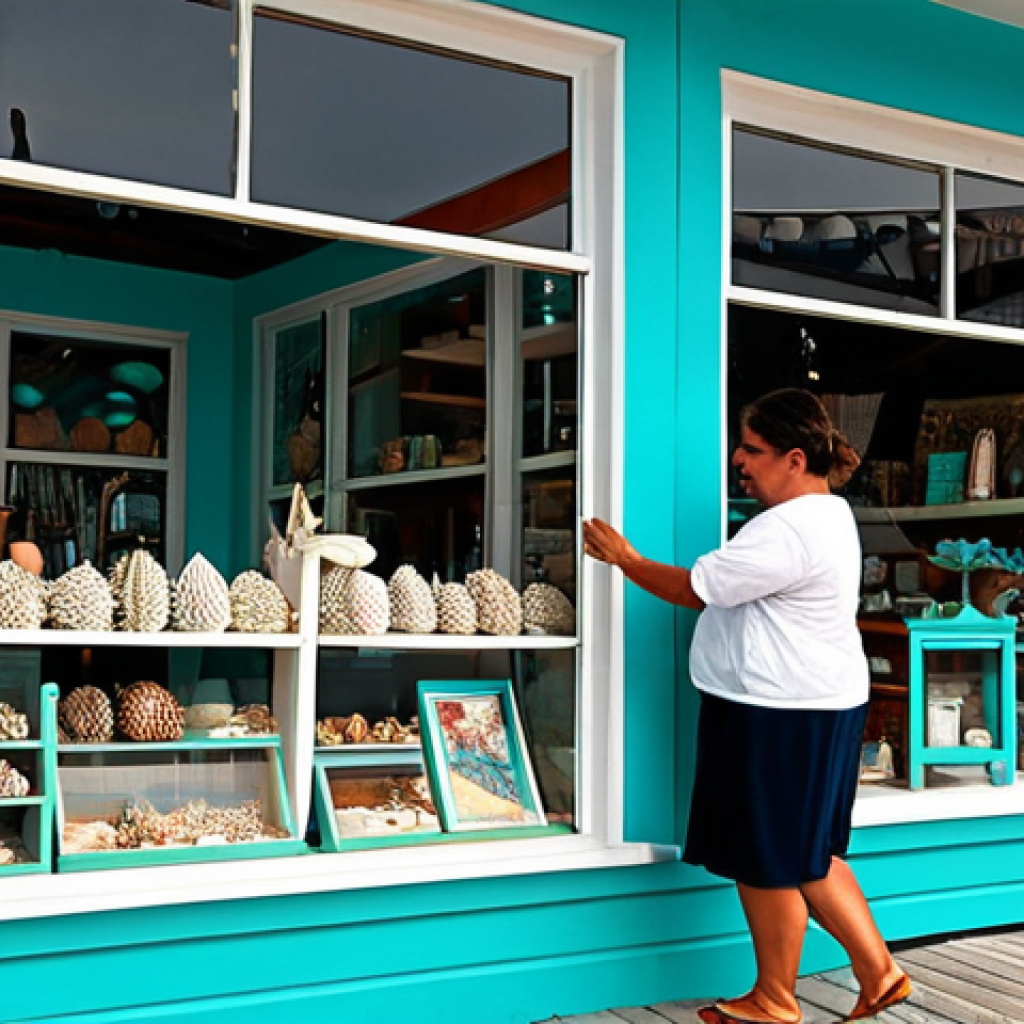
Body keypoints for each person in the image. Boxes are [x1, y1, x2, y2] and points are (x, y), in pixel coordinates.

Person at [582, 388, 910, 1024]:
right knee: (809, 851)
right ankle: (880, 972)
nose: (738, 459)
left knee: (767, 857)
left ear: (793, 458)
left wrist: (624, 558)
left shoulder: (785, 530)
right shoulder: (830, 513)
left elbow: (693, 588)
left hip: (777, 712)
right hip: (820, 704)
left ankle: (775, 999)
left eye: (752, 449)